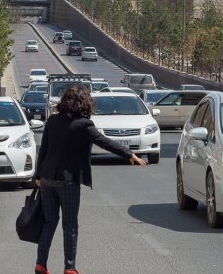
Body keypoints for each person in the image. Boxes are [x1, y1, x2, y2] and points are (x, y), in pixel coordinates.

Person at [34, 86, 147, 274]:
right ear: (85, 104)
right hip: (68, 181)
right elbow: (105, 142)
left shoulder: (52, 121)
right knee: (70, 225)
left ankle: (40, 265)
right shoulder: (83, 125)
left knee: (49, 222)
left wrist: (38, 176)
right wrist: (129, 154)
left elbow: (43, 150)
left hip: (47, 179)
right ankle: (69, 268)